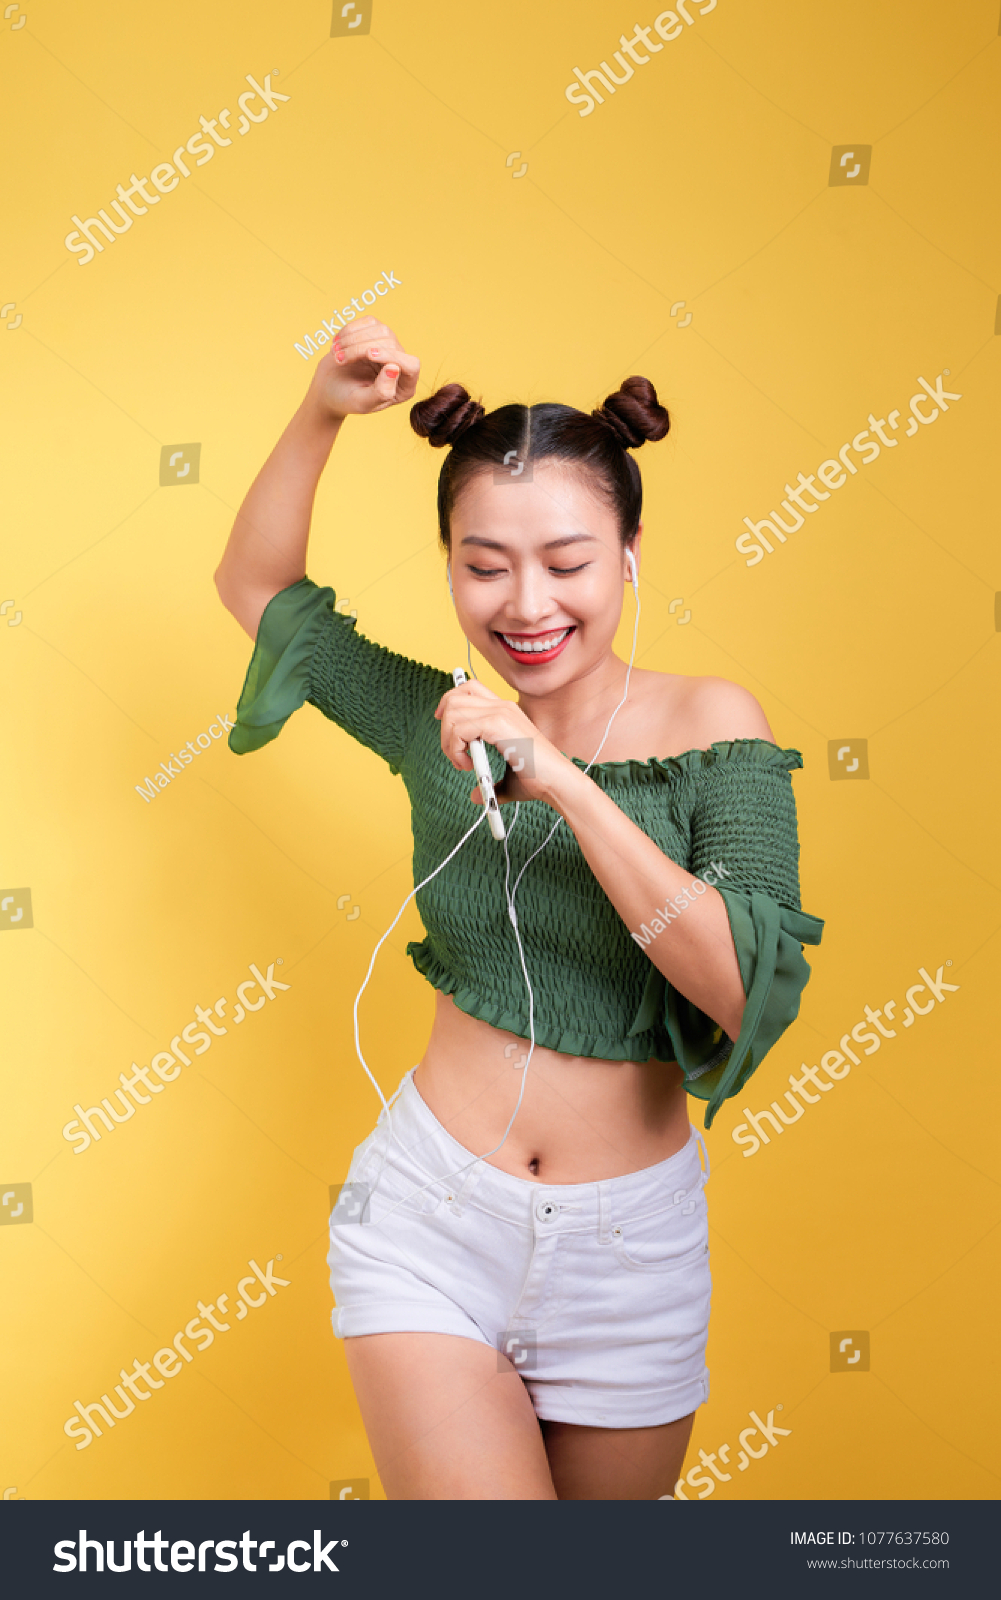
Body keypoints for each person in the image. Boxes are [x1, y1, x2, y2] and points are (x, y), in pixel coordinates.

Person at [214, 317, 824, 1501]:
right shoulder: (436, 724)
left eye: (566, 561)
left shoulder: (716, 725)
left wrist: (561, 783)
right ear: (446, 560)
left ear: (630, 553)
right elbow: (258, 587)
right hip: (431, 1217)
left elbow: (742, 985)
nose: (524, 603)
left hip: (629, 1252)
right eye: (481, 564)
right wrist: (321, 409)